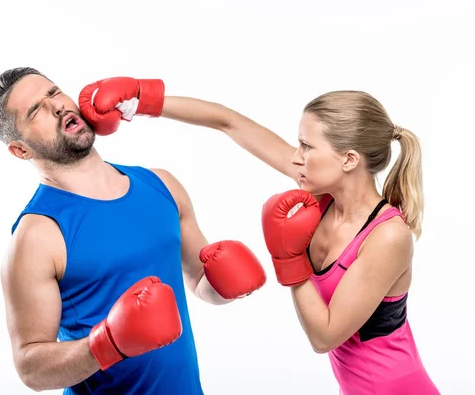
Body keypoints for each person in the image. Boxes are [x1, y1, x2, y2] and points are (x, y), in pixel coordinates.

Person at [79, 77, 440, 394]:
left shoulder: (388, 236)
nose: (295, 157)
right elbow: (228, 122)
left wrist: (290, 259)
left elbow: (325, 336)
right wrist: (142, 99)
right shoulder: (320, 191)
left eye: (307, 147)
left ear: (348, 160)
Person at [0, 68, 267, 395]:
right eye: (36, 110)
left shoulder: (162, 185)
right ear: (21, 150)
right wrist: (108, 343)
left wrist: (224, 284)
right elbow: (31, 367)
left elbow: (199, 282)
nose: (57, 107)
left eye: (54, 93)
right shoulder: (37, 234)